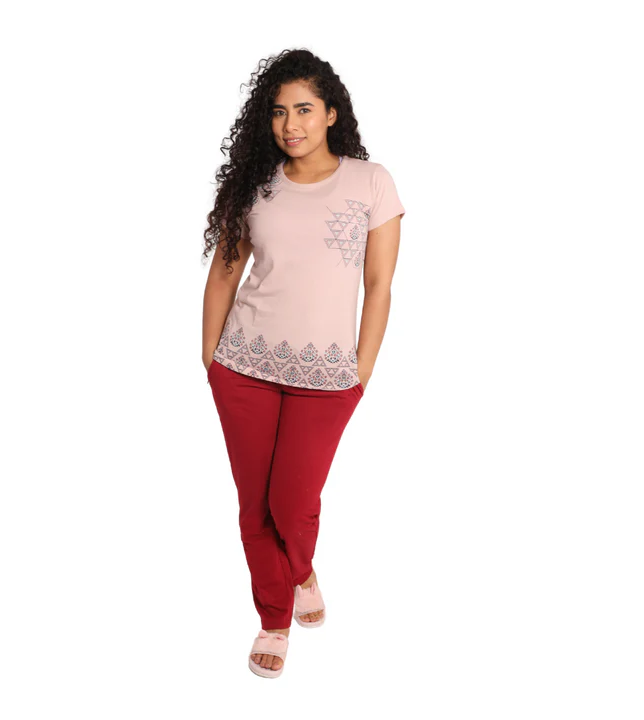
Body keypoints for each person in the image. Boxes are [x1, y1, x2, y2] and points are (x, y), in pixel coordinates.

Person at [201, 48, 406, 678]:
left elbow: (380, 283)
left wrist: (362, 370)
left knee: (292, 503)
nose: (290, 124)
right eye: (278, 112)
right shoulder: (256, 185)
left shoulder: (371, 181)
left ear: (331, 114)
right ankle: (274, 618)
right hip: (243, 366)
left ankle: (301, 568)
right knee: (254, 508)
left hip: (327, 378)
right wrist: (210, 359)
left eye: (304, 109)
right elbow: (225, 272)